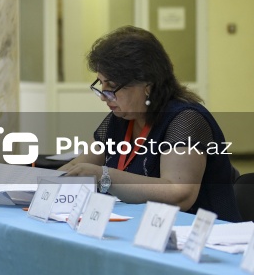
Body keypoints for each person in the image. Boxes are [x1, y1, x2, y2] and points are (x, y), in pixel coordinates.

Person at [59, 26, 241, 222]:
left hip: (202, 239)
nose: (104, 96)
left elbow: (180, 194)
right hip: (144, 229)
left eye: (111, 87)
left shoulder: (186, 119)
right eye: (100, 84)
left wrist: (104, 176)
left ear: (147, 85)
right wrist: (38, 184)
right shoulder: (120, 119)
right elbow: (79, 166)